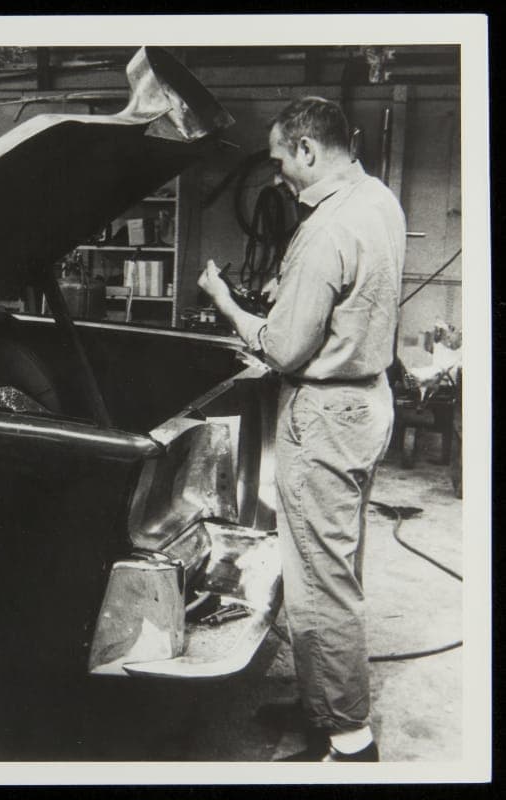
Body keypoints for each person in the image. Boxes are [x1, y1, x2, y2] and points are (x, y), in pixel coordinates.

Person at [198, 97, 405, 762]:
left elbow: (284, 350)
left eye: (283, 157)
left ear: (309, 151)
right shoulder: (377, 200)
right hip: (367, 401)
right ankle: (323, 700)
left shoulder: (322, 233)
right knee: (336, 565)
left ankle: (347, 739)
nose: (279, 172)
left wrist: (225, 302)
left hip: (323, 414)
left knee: (319, 579)